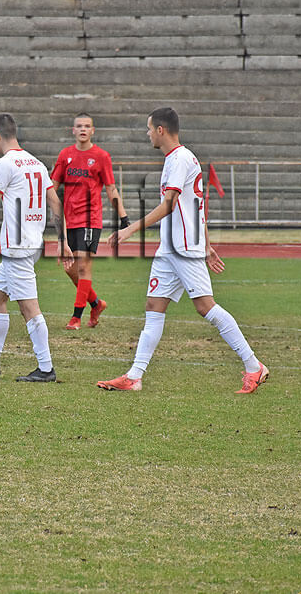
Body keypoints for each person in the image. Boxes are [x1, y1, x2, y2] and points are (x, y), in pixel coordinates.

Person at [98, 107, 270, 394]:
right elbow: (196, 206)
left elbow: (169, 205)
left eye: (149, 129)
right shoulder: (176, 159)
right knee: (154, 306)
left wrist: (130, 229)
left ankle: (254, 366)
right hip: (170, 248)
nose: (148, 134)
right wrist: (208, 245)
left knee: (206, 307)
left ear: (161, 130)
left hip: (184, 248)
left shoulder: (180, 159)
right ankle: (134, 376)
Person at [0, 113, 69, 382]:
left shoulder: (5, 164)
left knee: (29, 308)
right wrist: (62, 241)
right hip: (31, 244)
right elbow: (56, 203)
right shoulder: (36, 163)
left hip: (17, 247)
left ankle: (46, 368)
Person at [51, 113, 129, 330]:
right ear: (73, 130)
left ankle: (76, 317)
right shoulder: (65, 155)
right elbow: (52, 187)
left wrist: (124, 218)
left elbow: (111, 189)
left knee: (84, 267)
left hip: (90, 220)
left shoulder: (102, 156)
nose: (83, 129)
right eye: (79, 126)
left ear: (93, 131)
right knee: (70, 268)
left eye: (87, 126)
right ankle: (96, 304)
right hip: (68, 221)